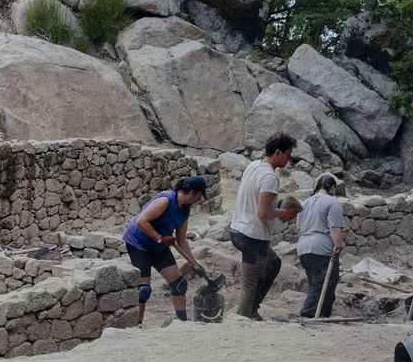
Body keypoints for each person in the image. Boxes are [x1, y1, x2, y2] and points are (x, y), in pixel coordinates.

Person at [120, 174, 211, 323]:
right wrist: (160, 238)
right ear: (192, 193)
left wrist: (194, 263)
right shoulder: (165, 200)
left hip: (159, 247)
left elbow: (181, 240)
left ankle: (182, 323)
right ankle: (137, 325)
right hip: (139, 244)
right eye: (200, 195)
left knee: (179, 284)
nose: (199, 200)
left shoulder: (185, 210)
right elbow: (142, 222)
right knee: (144, 290)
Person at [232, 133, 297, 320]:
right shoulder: (270, 177)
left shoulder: (253, 166)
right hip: (253, 236)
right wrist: (282, 213)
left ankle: (252, 310)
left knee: (274, 264)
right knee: (251, 284)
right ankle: (244, 318)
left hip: (238, 229)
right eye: (288, 153)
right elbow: (263, 212)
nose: (289, 158)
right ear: (278, 152)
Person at [294, 174, 346, 318]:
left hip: (303, 247)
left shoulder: (304, 203)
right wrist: (338, 246)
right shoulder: (332, 202)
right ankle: (308, 314)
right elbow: (334, 227)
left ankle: (323, 314)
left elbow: (299, 227)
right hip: (321, 248)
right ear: (332, 188)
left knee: (317, 283)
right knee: (323, 284)